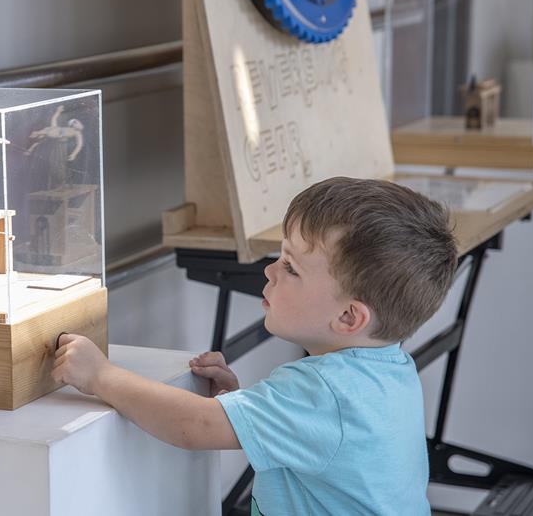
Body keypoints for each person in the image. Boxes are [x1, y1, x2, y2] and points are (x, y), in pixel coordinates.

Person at [52, 177, 458, 515]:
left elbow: (192, 426)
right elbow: (316, 436)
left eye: (290, 267)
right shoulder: (390, 368)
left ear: (349, 318)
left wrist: (101, 375)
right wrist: (239, 405)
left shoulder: (322, 392)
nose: (269, 270)